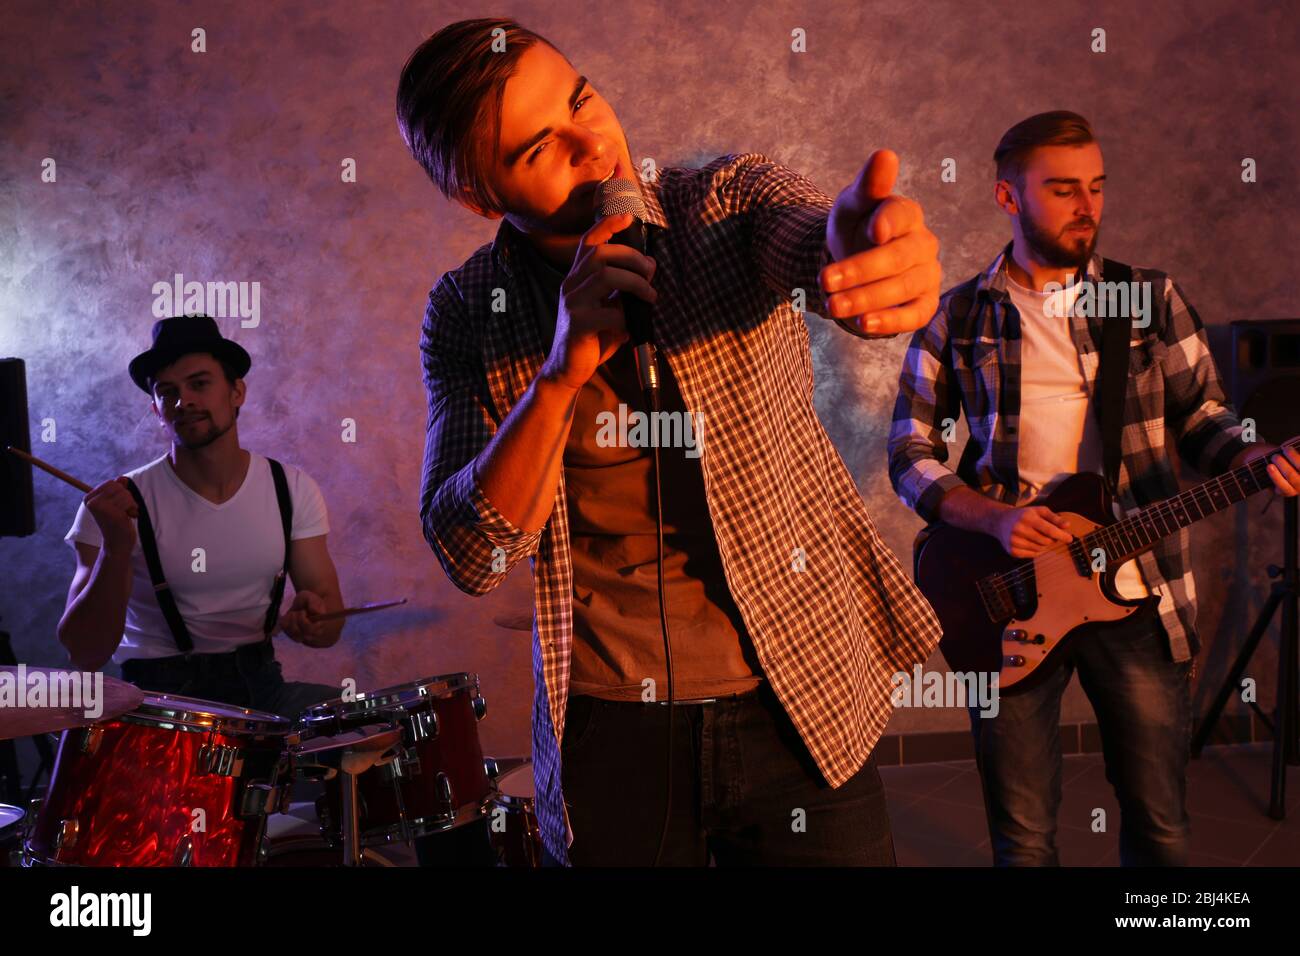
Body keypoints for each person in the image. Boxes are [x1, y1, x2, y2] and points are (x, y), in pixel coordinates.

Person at [397, 17, 945, 866]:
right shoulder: (469, 309)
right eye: (542, 147)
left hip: (799, 688)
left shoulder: (719, 204)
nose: (597, 145)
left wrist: (857, 251)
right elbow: (472, 552)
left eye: (582, 99)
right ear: (480, 198)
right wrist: (560, 373)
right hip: (611, 721)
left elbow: (803, 236)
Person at [887, 111, 1300, 866]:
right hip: (1008, 593)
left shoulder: (1147, 299)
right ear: (1008, 199)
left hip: (1139, 591)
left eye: (1098, 188)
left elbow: (1206, 419)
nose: (1089, 206)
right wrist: (991, 521)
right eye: (1064, 189)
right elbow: (908, 450)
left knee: (1163, 829)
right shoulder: (960, 313)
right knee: (1025, 837)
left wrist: (1256, 455)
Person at [57, 314, 344, 716]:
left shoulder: (291, 488)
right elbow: (85, 653)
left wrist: (314, 620)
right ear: (156, 409)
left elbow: (329, 627)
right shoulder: (114, 505)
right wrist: (116, 549)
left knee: (364, 730)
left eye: (200, 384)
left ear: (237, 392)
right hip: (156, 705)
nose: (183, 401)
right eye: (167, 391)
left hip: (261, 690)